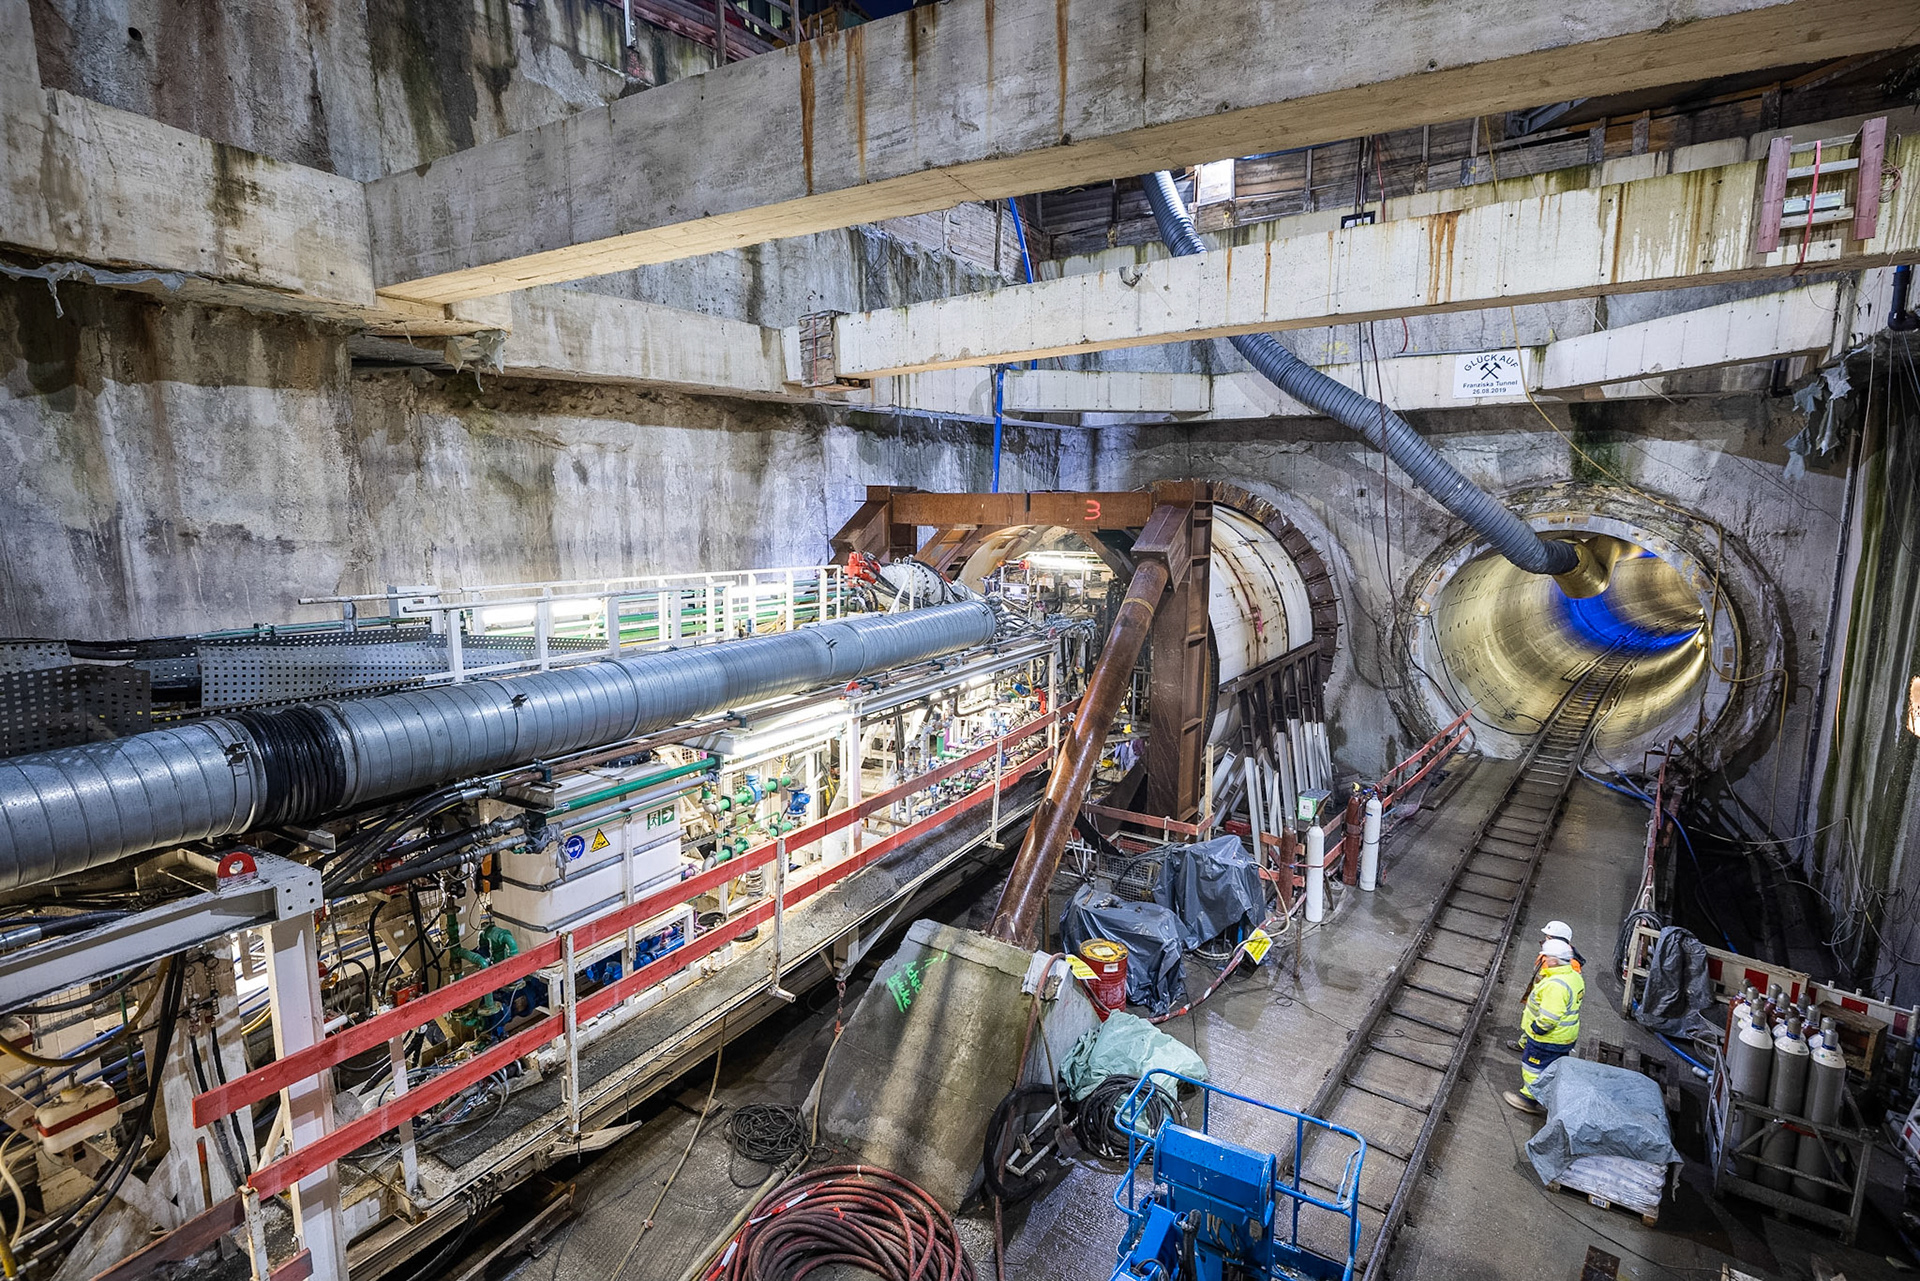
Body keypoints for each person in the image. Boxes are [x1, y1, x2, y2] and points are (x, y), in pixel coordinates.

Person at [1503, 937, 1584, 1115]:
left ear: (1554, 960)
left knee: (1533, 1068)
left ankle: (1528, 1100)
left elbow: (1549, 1017)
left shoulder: (1555, 985)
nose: (1544, 960)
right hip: (1565, 1036)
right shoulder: (1573, 976)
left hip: (1547, 1038)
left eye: (1547, 957)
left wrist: (1536, 1028)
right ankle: (1548, 1096)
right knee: (1551, 1068)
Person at [1508, 922, 1583, 1051]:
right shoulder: (1550, 954)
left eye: (1549, 938)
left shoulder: (1569, 965)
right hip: (1542, 994)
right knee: (1534, 1021)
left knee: (1540, 1023)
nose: (1545, 940)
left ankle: (1528, 1045)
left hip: (1549, 1002)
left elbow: (1558, 999)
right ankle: (1524, 1043)